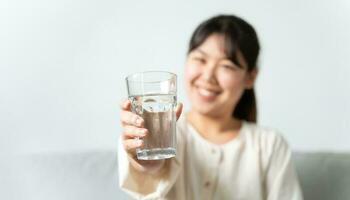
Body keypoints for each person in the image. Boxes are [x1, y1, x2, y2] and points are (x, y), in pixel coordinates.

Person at [118, 14, 303, 200]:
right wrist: (146, 163)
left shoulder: (269, 145)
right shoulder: (151, 131)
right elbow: (148, 178)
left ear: (250, 77)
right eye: (200, 59)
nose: (208, 76)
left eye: (227, 66)